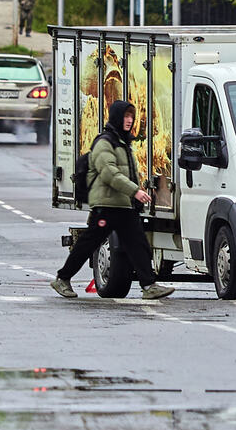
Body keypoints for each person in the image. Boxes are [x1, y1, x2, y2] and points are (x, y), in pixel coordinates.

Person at [49, 100, 173, 301]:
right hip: (106, 205)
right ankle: (62, 278)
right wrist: (135, 191)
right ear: (116, 117)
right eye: (125, 116)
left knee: (137, 244)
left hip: (122, 205)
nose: (129, 120)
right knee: (88, 244)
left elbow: (127, 173)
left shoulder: (123, 142)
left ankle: (149, 286)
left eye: (131, 116)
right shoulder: (104, 142)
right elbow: (109, 173)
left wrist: (133, 196)